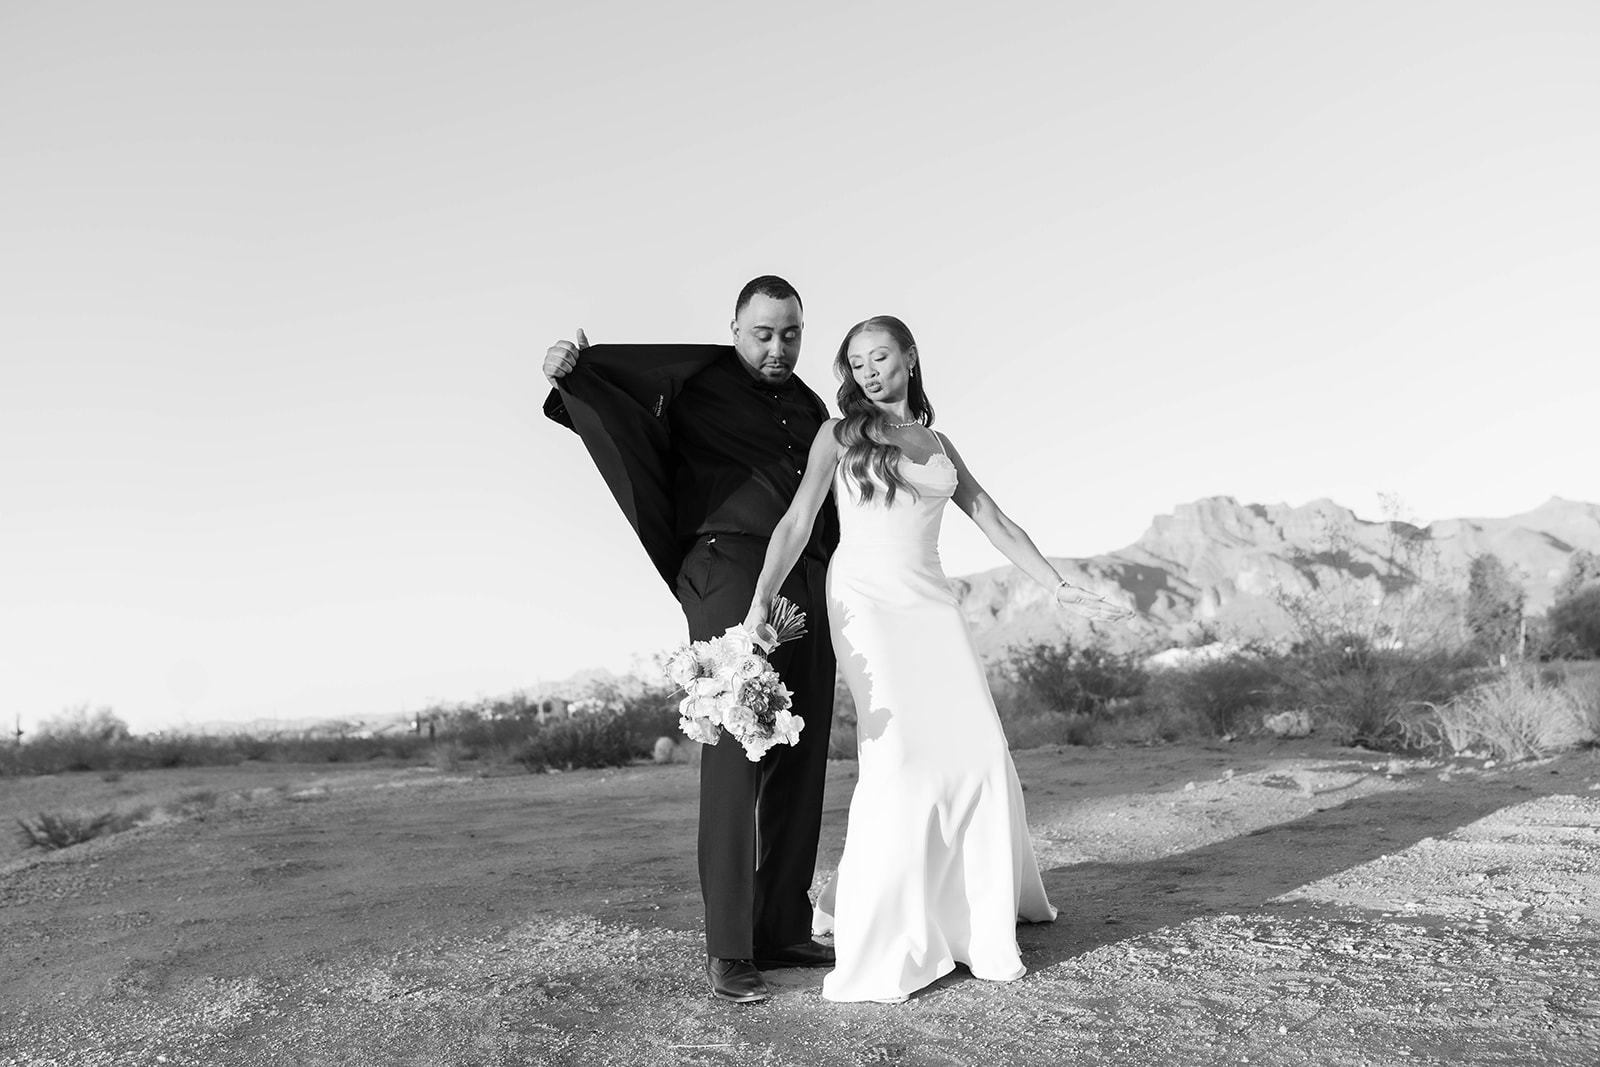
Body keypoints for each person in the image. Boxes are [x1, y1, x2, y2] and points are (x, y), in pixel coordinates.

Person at [742, 315, 1133, 1003]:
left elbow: (996, 520)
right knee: (900, 757)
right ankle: (886, 923)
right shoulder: (839, 435)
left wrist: (1063, 590)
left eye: (879, 356)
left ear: (909, 357)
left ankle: (971, 919)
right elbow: (797, 521)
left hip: (932, 602)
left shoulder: (938, 443)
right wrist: (759, 601)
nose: (866, 370)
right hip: (865, 602)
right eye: (855, 360)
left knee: (979, 746)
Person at [542, 276, 838, 1005]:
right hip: (728, 570)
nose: (777, 347)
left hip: (810, 575)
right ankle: (730, 948)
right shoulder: (699, 383)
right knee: (740, 744)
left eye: (791, 333)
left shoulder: (810, 405)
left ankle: (781, 925)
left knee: (801, 747)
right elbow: (617, 406)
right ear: (734, 327)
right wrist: (572, 376)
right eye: (763, 333)